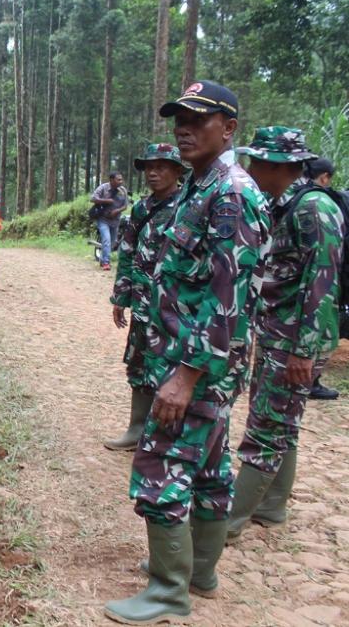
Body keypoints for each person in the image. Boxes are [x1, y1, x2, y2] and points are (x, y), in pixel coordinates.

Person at [105, 81, 270, 625]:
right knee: (208, 470)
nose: (184, 128)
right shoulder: (199, 186)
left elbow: (231, 297)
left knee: (159, 464)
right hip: (185, 360)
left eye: (199, 120)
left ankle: (168, 589)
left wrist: (185, 376)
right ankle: (199, 572)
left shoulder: (232, 194)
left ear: (229, 129)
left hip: (195, 366)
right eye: (180, 119)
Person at [226, 128, 344, 540]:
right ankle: (272, 505)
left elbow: (323, 282)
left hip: (296, 338)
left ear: (282, 167)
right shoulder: (287, 202)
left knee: (266, 427)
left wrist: (304, 352)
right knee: (279, 420)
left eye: (257, 162)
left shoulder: (314, 208)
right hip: (279, 332)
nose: (251, 169)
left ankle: (227, 522)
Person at [104, 144, 188, 451]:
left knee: (169, 369)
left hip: (175, 308)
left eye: (162, 166)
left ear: (179, 171)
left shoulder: (189, 207)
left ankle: (165, 437)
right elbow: (127, 253)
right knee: (139, 364)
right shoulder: (141, 208)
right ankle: (136, 430)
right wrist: (121, 297)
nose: (153, 172)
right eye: (149, 167)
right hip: (142, 303)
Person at [305, 157, 341, 400]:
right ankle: (310, 381)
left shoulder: (294, 198)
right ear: (325, 177)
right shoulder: (319, 203)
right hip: (323, 281)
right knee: (326, 332)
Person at [90, 171, 129, 270]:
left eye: (121, 179)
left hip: (115, 221)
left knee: (112, 242)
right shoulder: (103, 188)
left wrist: (117, 211)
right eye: (118, 179)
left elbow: (125, 206)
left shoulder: (123, 190)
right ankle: (106, 263)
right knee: (106, 240)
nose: (121, 181)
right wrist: (106, 201)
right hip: (103, 219)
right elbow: (93, 198)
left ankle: (103, 260)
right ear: (111, 180)